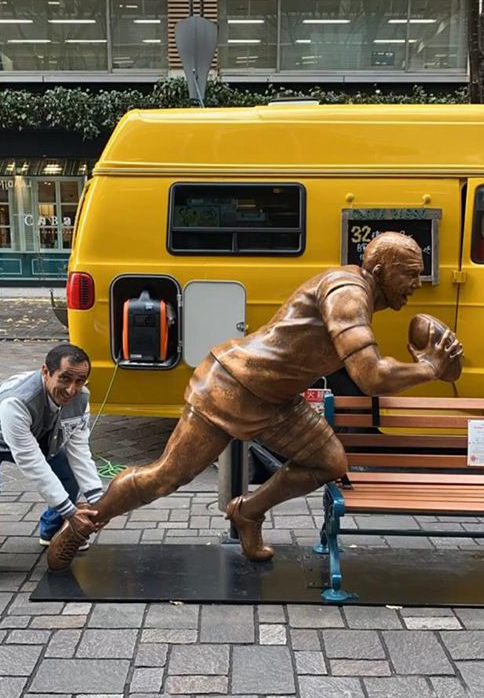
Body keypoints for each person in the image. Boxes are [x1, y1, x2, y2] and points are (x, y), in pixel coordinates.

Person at [47, 232, 462, 570]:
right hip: (233, 384)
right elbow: (371, 376)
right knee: (165, 477)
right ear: (377, 270)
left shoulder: (360, 293)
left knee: (329, 462)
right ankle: (84, 524)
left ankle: (247, 511)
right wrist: (430, 367)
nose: (416, 284)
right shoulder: (348, 294)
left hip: (277, 399)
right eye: (409, 274)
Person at [0, 343, 104, 588]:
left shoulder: (81, 397)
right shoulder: (17, 400)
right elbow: (31, 461)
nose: (72, 389)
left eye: (80, 380)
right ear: (46, 371)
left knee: (70, 471)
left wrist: (99, 502)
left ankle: (51, 530)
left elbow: (79, 452)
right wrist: (71, 512)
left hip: (35, 433)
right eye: (64, 378)